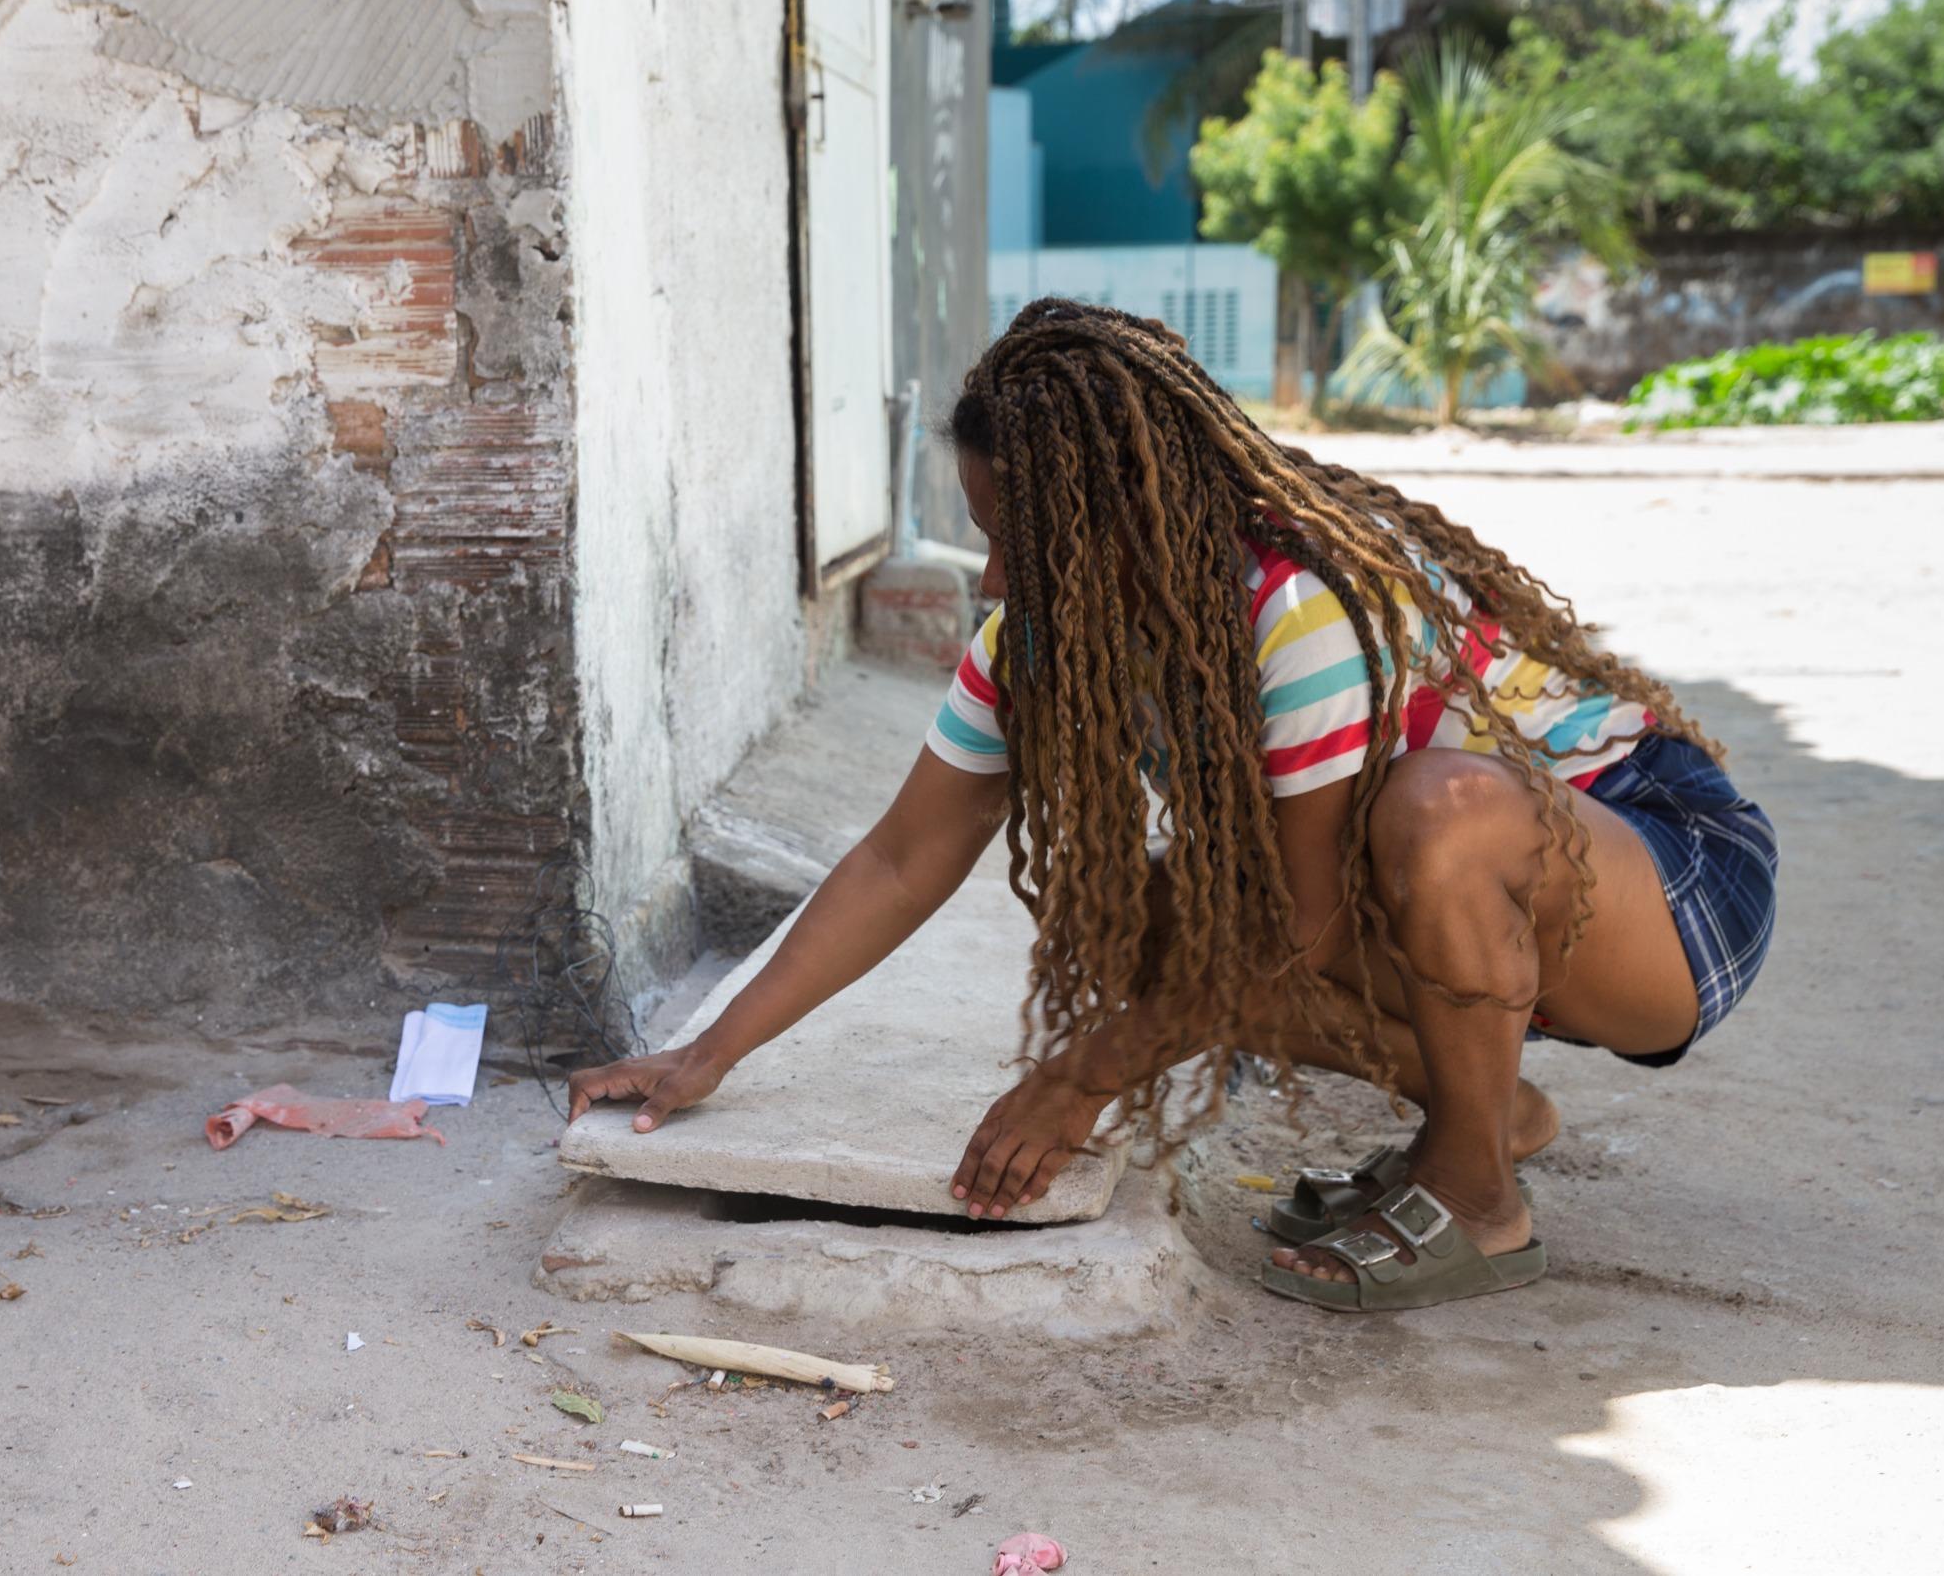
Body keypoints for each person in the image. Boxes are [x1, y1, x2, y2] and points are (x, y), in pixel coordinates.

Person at [568, 301, 1777, 1312]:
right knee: (1144, 915)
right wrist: (707, 1050)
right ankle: (1486, 1111)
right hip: (1510, 905)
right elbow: (901, 856)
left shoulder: (1291, 608)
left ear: (1118, 526)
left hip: (1665, 881)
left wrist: (1079, 1076)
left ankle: (1479, 1204)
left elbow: (1299, 933)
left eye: (1017, 539)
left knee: (1434, 808)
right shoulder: (1033, 634)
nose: (990, 577)